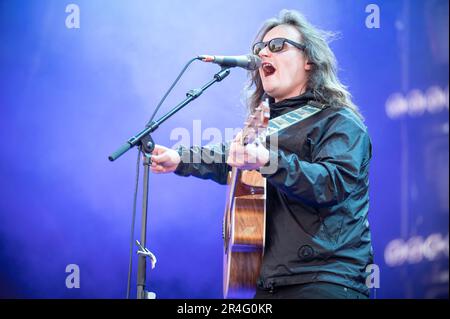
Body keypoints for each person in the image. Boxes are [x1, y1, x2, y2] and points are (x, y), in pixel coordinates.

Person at [150, 9, 373, 299]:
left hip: (325, 279)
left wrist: (266, 161)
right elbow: (228, 156)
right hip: (266, 283)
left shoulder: (338, 121)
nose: (264, 53)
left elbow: (332, 183)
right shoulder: (266, 129)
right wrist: (180, 158)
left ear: (309, 60)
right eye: (259, 48)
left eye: (278, 45)